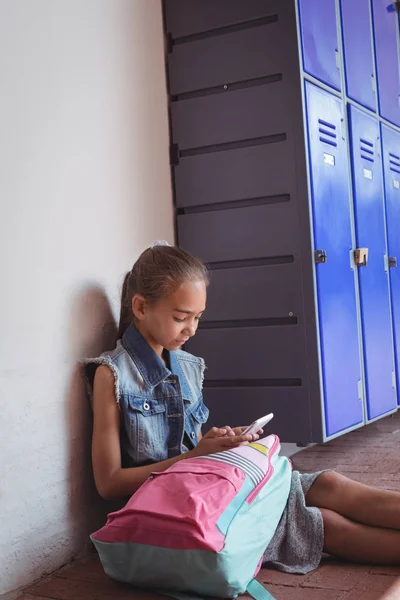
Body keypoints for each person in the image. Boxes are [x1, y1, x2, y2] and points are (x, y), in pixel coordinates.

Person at [84, 242, 400, 574]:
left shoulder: (188, 366)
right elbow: (109, 484)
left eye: (198, 317)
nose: (191, 329)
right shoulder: (112, 375)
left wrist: (221, 443)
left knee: (329, 483)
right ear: (140, 307)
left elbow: (189, 446)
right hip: (177, 513)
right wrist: (196, 457)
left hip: (207, 487)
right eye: (181, 318)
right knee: (323, 524)